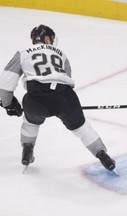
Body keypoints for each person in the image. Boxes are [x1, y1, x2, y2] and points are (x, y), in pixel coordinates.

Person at [0, 24, 115, 171]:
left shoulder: (23, 54)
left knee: (30, 123)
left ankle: (27, 150)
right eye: (51, 39)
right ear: (46, 39)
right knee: (82, 128)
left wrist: (8, 103)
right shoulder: (61, 53)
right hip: (64, 98)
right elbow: (67, 77)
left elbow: (4, 84)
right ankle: (102, 154)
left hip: (36, 101)